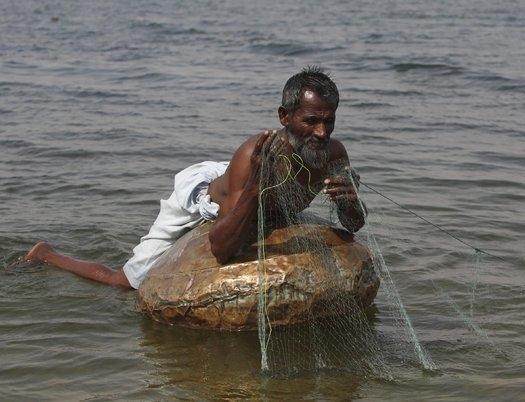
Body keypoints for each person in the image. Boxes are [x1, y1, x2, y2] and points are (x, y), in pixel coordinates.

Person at [15, 66, 366, 289]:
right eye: (310, 121)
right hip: (205, 196)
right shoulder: (255, 158)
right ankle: (46, 254)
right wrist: (256, 188)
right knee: (125, 282)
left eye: (329, 121)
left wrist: (350, 202)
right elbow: (221, 246)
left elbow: (354, 224)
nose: (321, 132)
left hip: (238, 181)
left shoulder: (333, 154)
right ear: (284, 116)